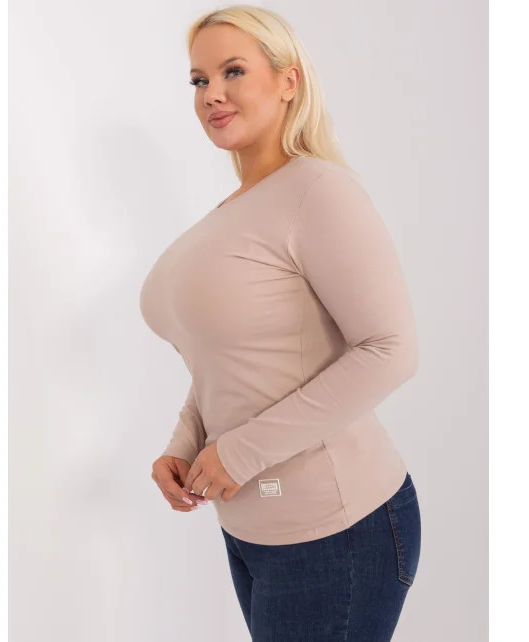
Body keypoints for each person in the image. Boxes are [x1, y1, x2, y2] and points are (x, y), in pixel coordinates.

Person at [140, 5, 421, 640]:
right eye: (199, 80)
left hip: (337, 529)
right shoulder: (233, 212)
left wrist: (238, 453)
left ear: (288, 80)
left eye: (233, 71)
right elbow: (224, 361)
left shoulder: (318, 191)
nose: (212, 94)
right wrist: (184, 444)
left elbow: (391, 349)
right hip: (251, 527)